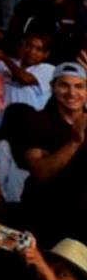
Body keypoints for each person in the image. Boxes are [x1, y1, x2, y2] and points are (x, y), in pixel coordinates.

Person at [21, 63, 87, 246]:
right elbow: (40, 173)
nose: (72, 93)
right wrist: (74, 141)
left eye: (79, 86)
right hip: (46, 218)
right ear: (52, 87)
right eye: (64, 85)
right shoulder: (35, 121)